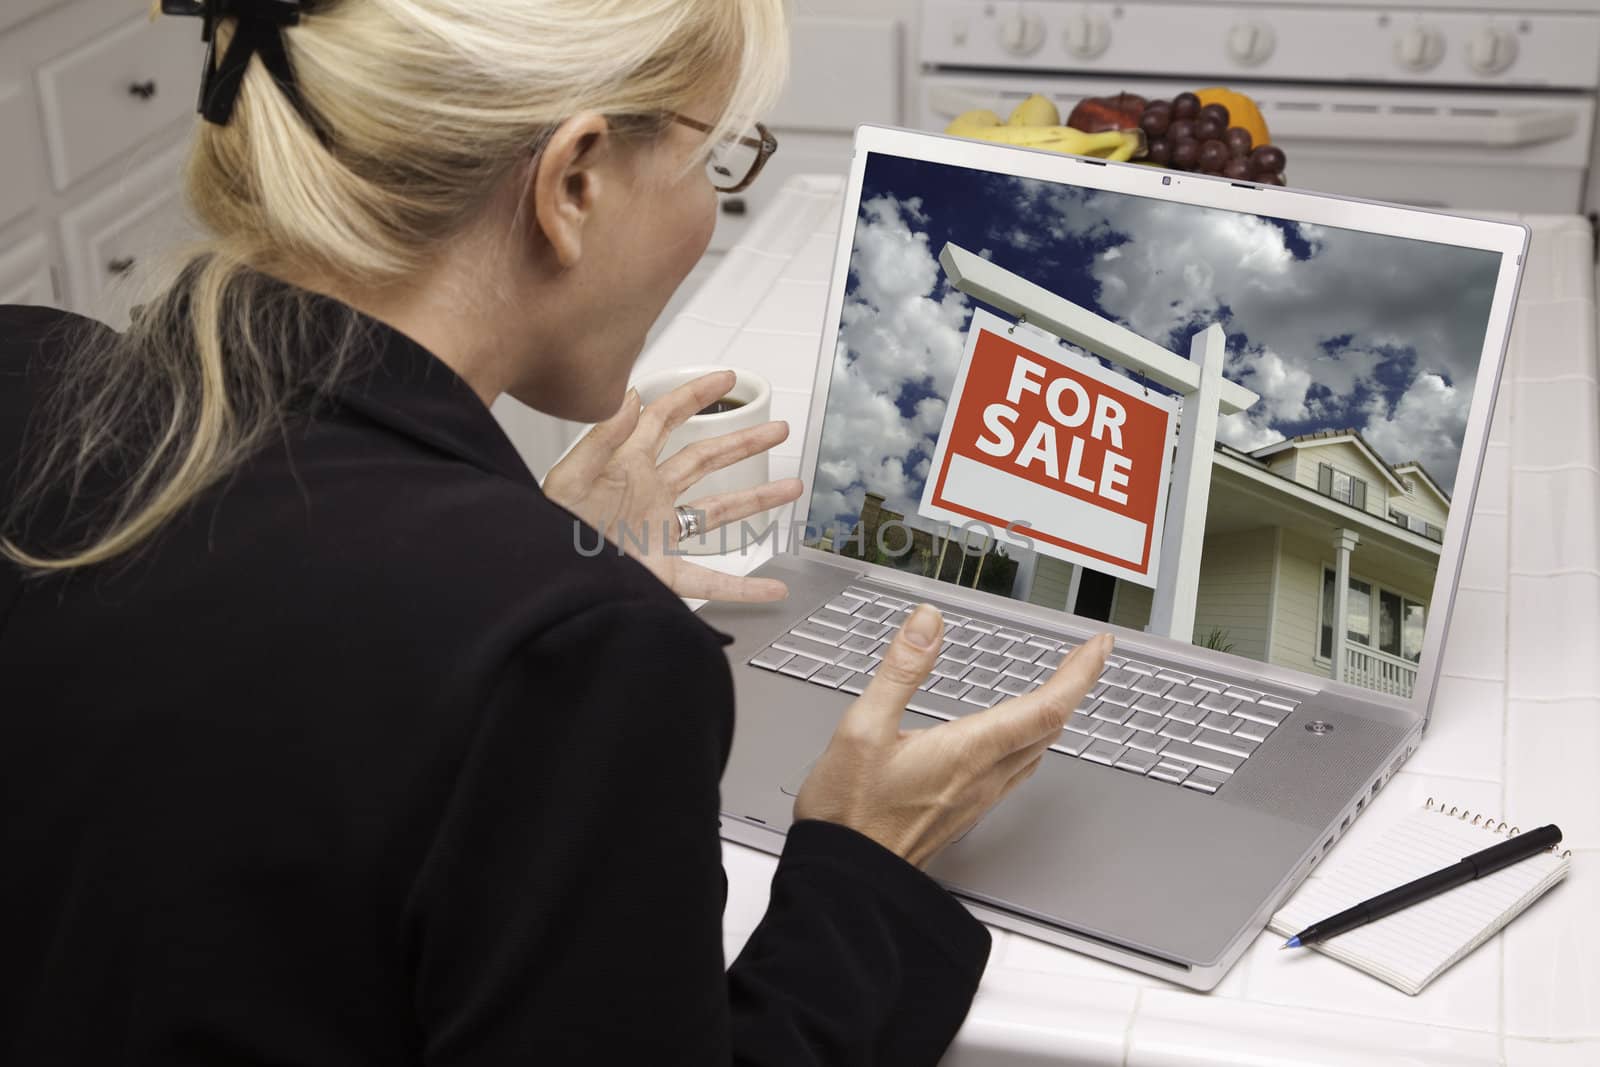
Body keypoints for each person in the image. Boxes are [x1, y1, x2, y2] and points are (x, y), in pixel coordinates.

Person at [0, 0, 1111, 1063]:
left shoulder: (23, 369)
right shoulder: (577, 654)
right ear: (573, 181)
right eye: (714, 162)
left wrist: (514, 548)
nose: (708, 211)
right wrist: (864, 864)